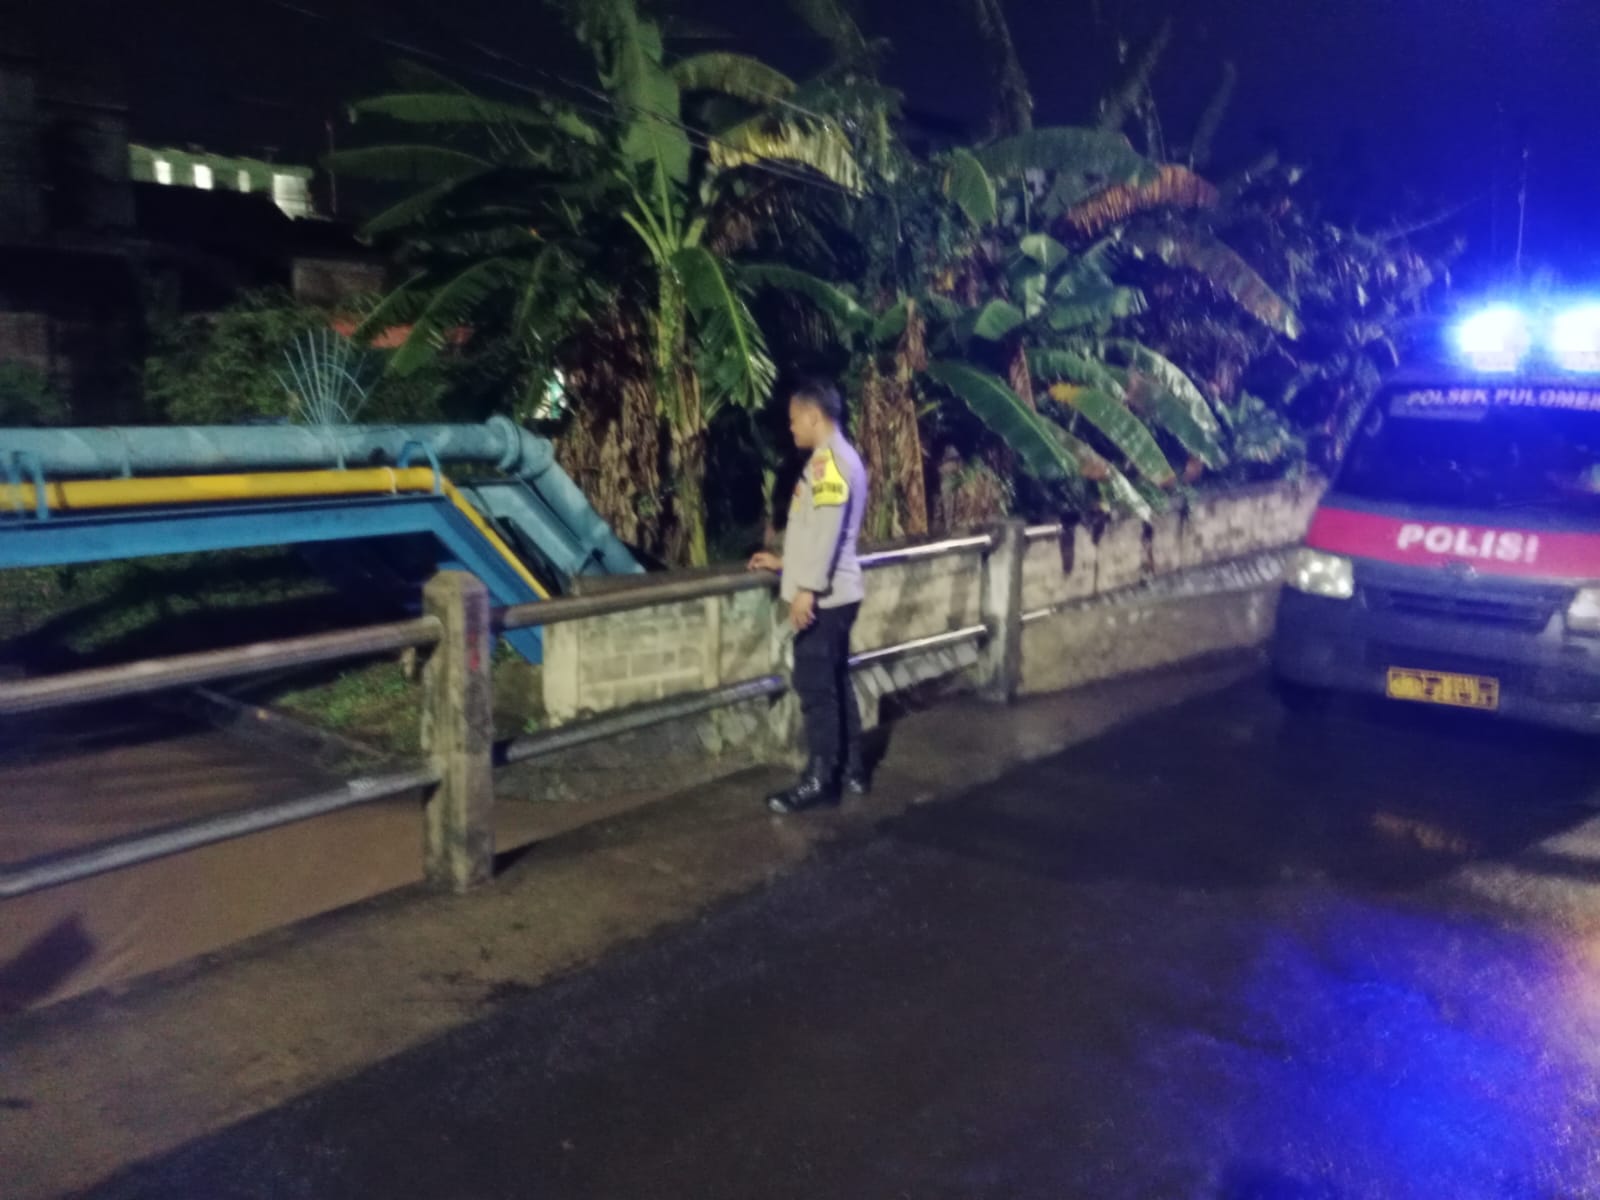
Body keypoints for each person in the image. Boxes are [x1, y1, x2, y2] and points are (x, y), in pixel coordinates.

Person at [748, 378, 870, 814]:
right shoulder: (837, 457)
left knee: (816, 688)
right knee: (835, 681)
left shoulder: (829, 463)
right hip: (836, 592)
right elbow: (817, 531)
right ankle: (852, 769)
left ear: (814, 416)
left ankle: (820, 780)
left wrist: (806, 589)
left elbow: (827, 532)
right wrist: (785, 564)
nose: (791, 428)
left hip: (827, 596)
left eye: (794, 419)